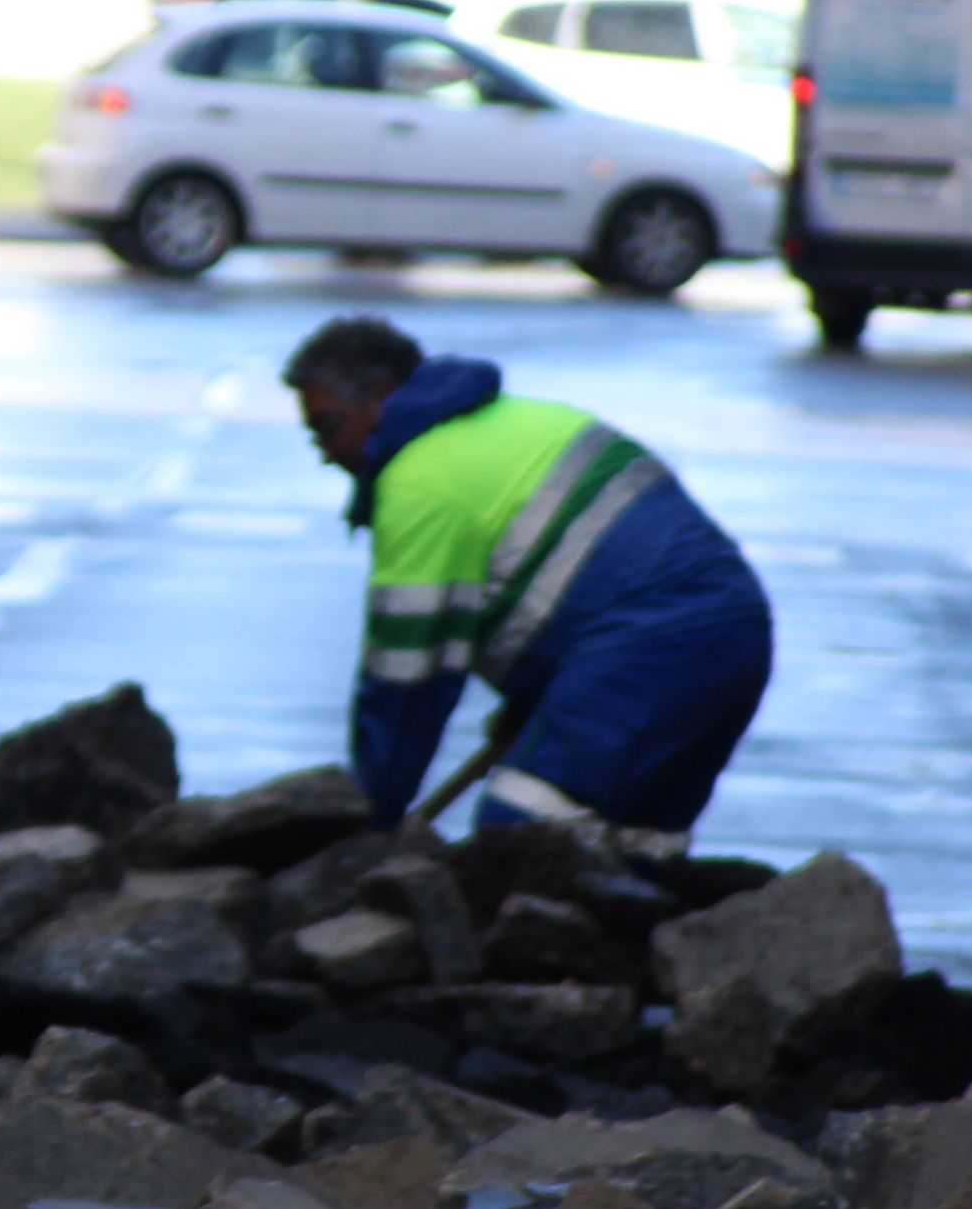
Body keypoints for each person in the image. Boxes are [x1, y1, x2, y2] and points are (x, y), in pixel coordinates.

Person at [285, 313, 778, 834]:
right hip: (731, 638)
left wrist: (372, 817)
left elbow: (406, 687)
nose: (326, 453)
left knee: (519, 832)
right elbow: (577, 583)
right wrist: (536, 704)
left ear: (380, 396)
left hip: (655, 648)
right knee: (628, 854)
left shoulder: (418, 483)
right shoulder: (515, 421)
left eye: (327, 427)